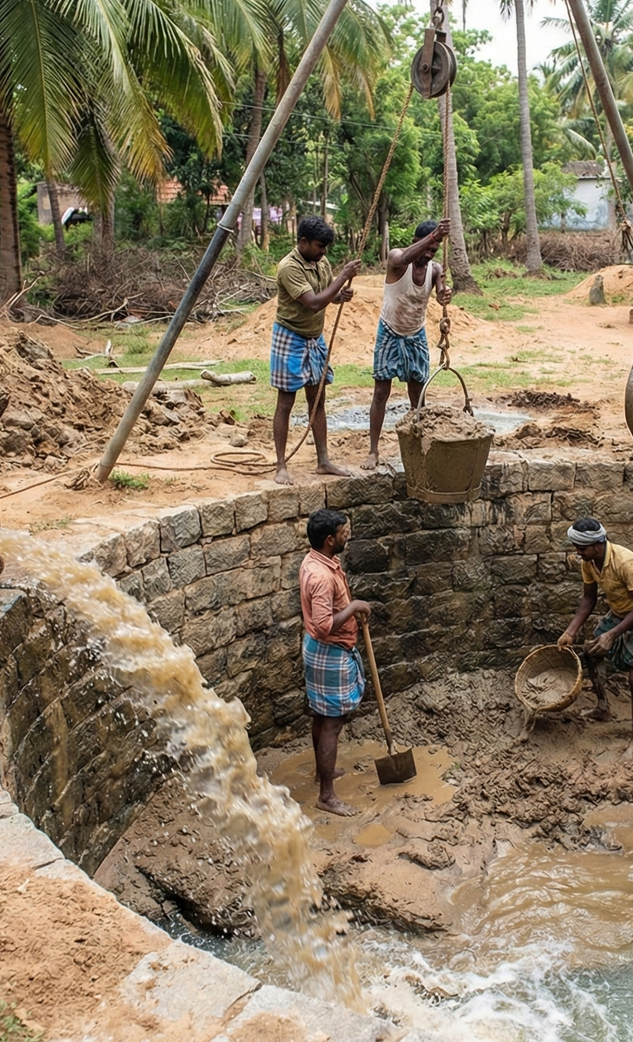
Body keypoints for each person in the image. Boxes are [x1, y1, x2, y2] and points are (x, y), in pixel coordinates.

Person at [557, 517, 633, 754]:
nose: (578, 552)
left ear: (598, 544)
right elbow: (589, 599)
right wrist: (570, 632)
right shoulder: (589, 562)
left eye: (582, 548)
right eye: (576, 547)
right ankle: (603, 708)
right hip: (620, 611)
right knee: (591, 653)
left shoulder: (625, 562)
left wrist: (612, 635)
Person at [272, 216, 360, 485]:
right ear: (303, 242)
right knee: (286, 402)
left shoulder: (321, 262)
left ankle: (323, 461)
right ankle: (281, 466)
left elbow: (326, 295)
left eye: (326, 248)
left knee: (317, 400)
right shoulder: (288, 267)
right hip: (290, 336)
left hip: (314, 338)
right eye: (320, 246)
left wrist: (338, 296)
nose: (324, 252)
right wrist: (342, 277)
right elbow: (312, 302)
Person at [362, 218, 453, 471]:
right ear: (415, 242)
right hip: (389, 330)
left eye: (433, 251)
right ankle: (373, 450)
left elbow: (440, 291)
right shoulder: (397, 259)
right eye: (425, 248)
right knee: (381, 392)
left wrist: (445, 294)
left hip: (416, 333)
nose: (428, 254)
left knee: (418, 394)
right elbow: (402, 259)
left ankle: (418, 445)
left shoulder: (434, 269)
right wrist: (433, 236)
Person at [299, 507, 372, 816]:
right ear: (329, 540)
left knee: (321, 714)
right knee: (332, 723)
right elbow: (325, 624)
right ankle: (326, 796)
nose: (348, 536)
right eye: (344, 533)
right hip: (330, 652)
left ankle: (321, 773)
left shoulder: (317, 559)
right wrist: (354, 605)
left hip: (319, 650)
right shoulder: (320, 577)